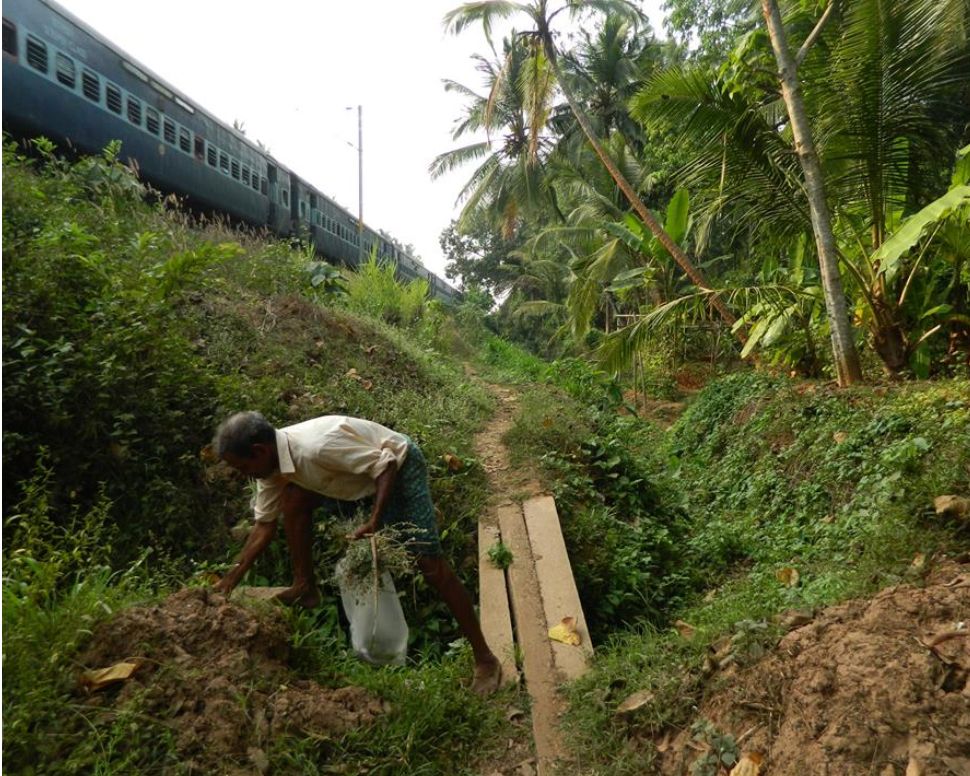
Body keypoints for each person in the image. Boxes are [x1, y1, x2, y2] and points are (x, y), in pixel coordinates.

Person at [211, 410, 502, 694]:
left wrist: (375, 520)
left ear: (259, 451)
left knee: (430, 565)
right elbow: (264, 526)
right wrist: (229, 581)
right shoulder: (274, 468)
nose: (245, 476)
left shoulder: (317, 448)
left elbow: (386, 464)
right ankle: (305, 586)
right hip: (353, 479)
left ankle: (485, 660)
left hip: (397, 467)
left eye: (243, 468)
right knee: (293, 500)